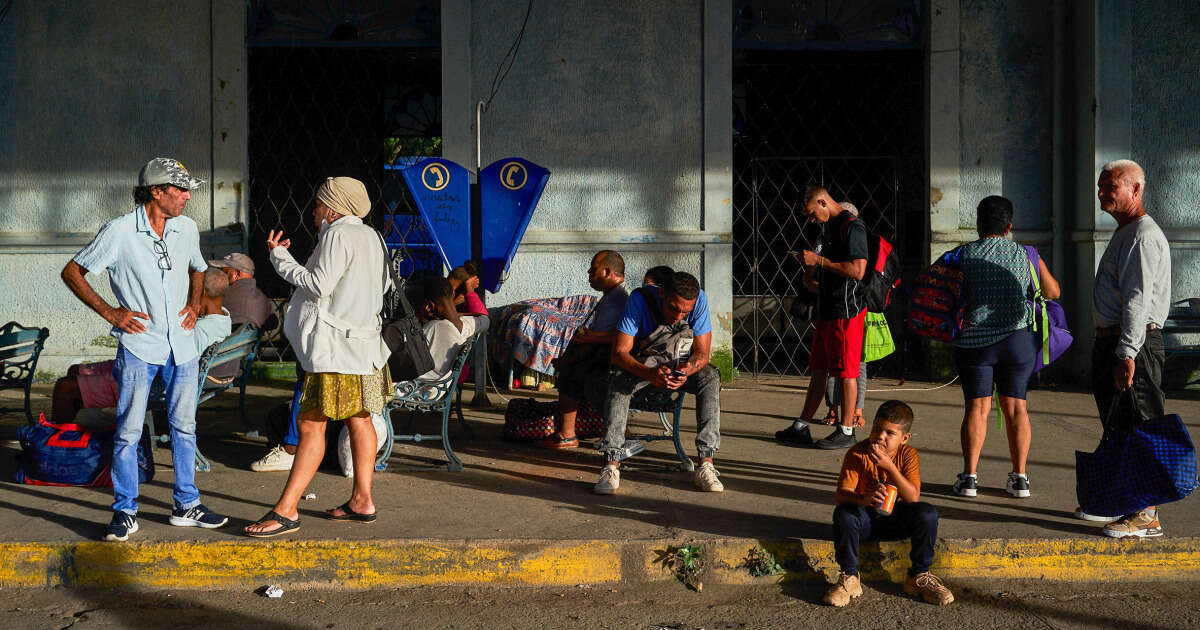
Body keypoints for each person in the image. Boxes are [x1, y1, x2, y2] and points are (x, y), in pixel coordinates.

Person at [60, 157, 228, 541]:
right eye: (180, 190)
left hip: (181, 346)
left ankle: (187, 503)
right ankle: (124, 510)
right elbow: (73, 271)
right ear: (156, 191)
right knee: (129, 430)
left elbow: (198, 268)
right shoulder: (119, 232)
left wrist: (195, 303)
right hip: (140, 345)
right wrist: (111, 312)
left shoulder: (186, 228)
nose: (187, 197)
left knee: (185, 426)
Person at [244, 176, 391, 537]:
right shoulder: (373, 237)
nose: (314, 211)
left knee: (311, 425)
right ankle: (362, 500)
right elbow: (384, 286)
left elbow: (319, 284)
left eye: (319, 204)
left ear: (332, 207)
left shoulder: (338, 234)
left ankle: (287, 510)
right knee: (360, 420)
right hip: (364, 349)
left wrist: (280, 259)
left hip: (335, 352)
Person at [1081, 159, 1172, 537]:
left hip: (1132, 344)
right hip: (1117, 342)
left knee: (1140, 425)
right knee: (1119, 425)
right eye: (1101, 186)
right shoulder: (1127, 231)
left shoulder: (1142, 235)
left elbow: (1138, 299)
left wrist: (1127, 353)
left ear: (1136, 190)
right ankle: (1125, 500)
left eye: (1111, 187)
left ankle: (1146, 513)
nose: (1103, 193)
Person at [951, 196, 1061, 500]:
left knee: (977, 408)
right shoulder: (1027, 254)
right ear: (1009, 226)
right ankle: (1020, 479)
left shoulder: (963, 254)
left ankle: (970, 478)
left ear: (978, 225)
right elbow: (1053, 292)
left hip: (975, 343)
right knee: (1016, 408)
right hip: (1018, 342)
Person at [594, 271, 724, 494]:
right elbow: (619, 353)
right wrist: (649, 373)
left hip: (677, 368)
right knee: (618, 381)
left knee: (710, 376)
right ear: (663, 294)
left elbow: (702, 354)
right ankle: (611, 464)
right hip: (643, 367)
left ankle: (706, 464)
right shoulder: (639, 299)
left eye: (686, 312)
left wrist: (687, 368)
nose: (678, 317)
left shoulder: (700, 299)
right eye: (673, 308)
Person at [51, 268, 232, 424]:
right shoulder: (224, 318)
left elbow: (178, 366)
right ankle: (80, 434)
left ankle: (61, 446)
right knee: (76, 370)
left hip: (150, 379)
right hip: (152, 368)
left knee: (65, 388)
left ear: (203, 293)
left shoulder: (198, 329)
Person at [825, 400, 954, 607]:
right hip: (865, 522)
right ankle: (849, 577)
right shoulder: (857, 453)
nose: (880, 436)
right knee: (844, 514)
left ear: (904, 438)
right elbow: (841, 495)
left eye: (890, 433)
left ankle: (918, 576)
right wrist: (864, 499)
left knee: (927, 513)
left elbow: (913, 497)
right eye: (877, 428)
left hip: (896, 521)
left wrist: (890, 467)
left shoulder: (908, 455)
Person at [776, 186, 868, 449]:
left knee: (847, 373)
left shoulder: (852, 226)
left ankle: (847, 429)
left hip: (846, 311)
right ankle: (802, 426)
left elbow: (858, 271)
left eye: (812, 213)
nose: (811, 219)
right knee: (819, 370)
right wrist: (811, 271)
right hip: (827, 309)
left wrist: (820, 260)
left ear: (822, 201)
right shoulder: (831, 227)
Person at [538, 250, 629, 448]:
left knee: (571, 374)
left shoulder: (615, 301)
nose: (589, 272)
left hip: (609, 360)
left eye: (593, 269)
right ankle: (618, 428)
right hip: (610, 356)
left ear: (607, 272)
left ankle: (567, 434)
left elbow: (596, 342)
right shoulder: (613, 296)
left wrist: (566, 362)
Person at [414, 275, 491, 381]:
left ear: (429, 305)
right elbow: (485, 318)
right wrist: (456, 314)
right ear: (453, 294)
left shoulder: (431, 328)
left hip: (417, 391)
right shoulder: (467, 326)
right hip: (438, 389)